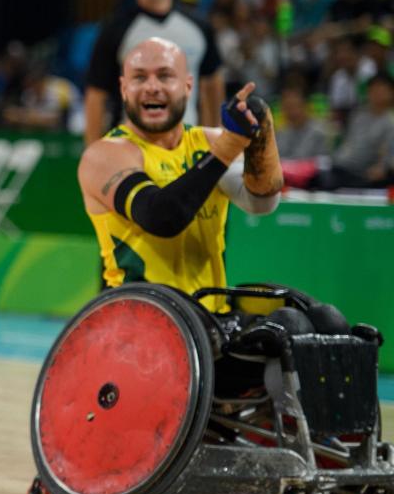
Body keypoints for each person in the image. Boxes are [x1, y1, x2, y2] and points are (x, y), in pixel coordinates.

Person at [77, 37, 283, 313]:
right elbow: (161, 216)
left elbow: (261, 204)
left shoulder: (211, 142)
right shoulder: (103, 155)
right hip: (139, 320)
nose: (152, 87)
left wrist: (261, 135)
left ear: (187, 86)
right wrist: (230, 146)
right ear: (124, 89)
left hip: (209, 322)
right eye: (139, 78)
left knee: (307, 320)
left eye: (165, 76)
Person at [84, 0, 225, 145]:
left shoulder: (200, 27)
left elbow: (213, 84)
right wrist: (93, 149)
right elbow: (96, 94)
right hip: (131, 148)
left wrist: (214, 143)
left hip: (187, 147)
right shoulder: (115, 29)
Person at [313, 69, 394, 189]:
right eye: (373, 89)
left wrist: (383, 167)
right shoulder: (358, 116)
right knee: (317, 175)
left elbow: (389, 157)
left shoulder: (390, 121)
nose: (377, 93)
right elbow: (347, 143)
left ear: (391, 92)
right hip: (341, 167)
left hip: (363, 174)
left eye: (381, 89)